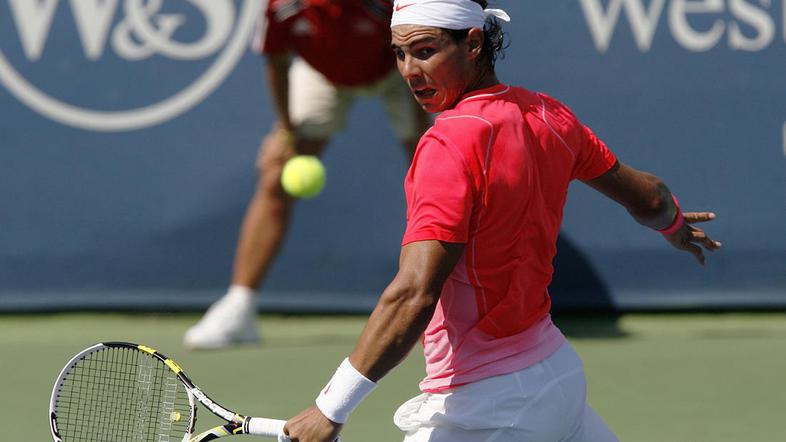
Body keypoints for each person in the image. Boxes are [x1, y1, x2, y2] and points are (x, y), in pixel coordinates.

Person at [282, 1, 722, 441]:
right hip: (556, 377)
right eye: (399, 54)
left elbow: (414, 292)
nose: (410, 70)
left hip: (490, 407)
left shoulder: (446, 145)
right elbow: (650, 198)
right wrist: (674, 227)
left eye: (424, 51)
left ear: (472, 43)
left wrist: (331, 406)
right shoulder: (549, 115)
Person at [184, 0, 431, 349]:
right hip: (323, 72)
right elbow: (277, 61)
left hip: (399, 68)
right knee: (276, 174)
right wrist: (285, 132)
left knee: (435, 181)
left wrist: (427, 133)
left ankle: (445, 306)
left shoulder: (387, 4)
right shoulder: (281, 7)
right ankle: (239, 307)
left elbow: (418, 48)